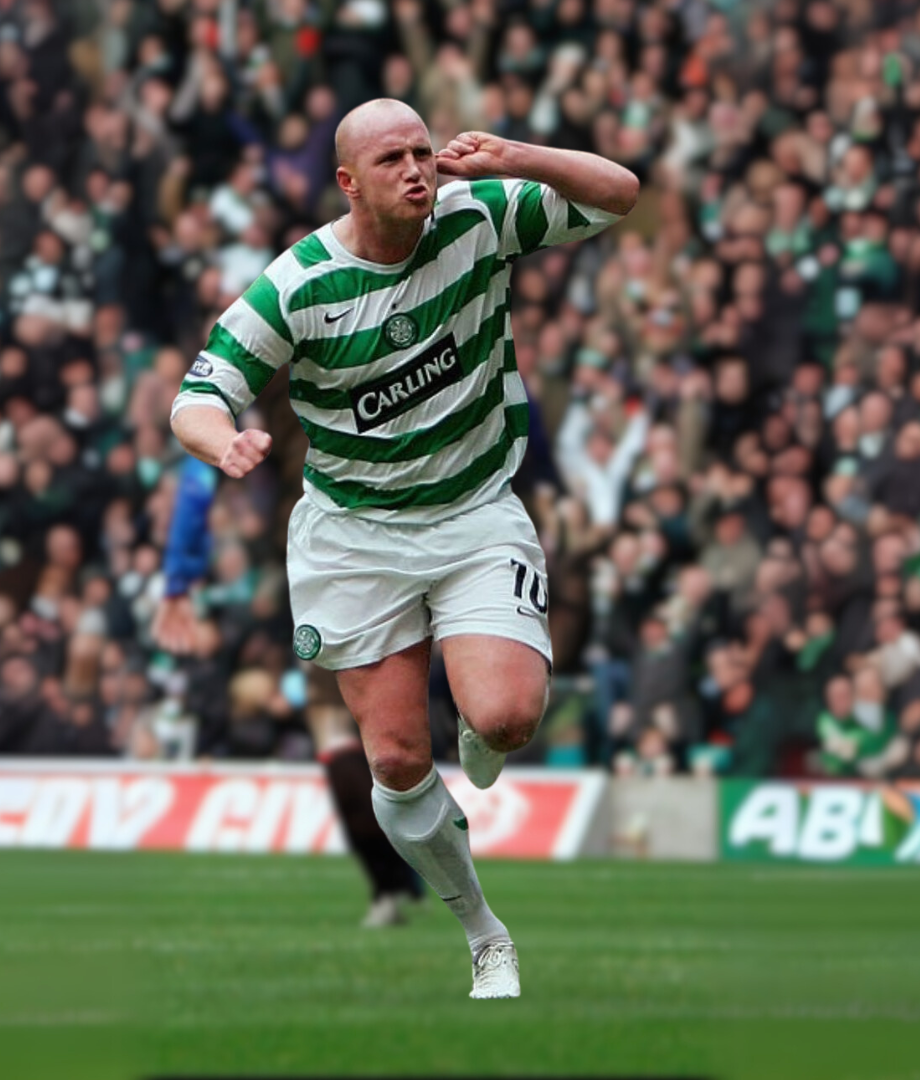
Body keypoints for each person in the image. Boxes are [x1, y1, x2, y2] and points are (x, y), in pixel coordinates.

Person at [170, 98, 638, 999]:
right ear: (349, 182)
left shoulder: (476, 216)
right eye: (392, 160)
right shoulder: (298, 285)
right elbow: (198, 395)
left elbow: (618, 193)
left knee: (506, 719)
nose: (417, 170)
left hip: (474, 511)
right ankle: (484, 932)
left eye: (423, 151)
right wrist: (222, 443)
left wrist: (516, 155)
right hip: (356, 537)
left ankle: (479, 719)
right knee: (392, 759)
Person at [152, 454, 423, 928]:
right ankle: (399, 873)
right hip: (394, 566)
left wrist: (180, 573)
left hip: (326, 576)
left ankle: (393, 879)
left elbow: (199, 476)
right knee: (367, 743)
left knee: (343, 740)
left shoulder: (275, 418)